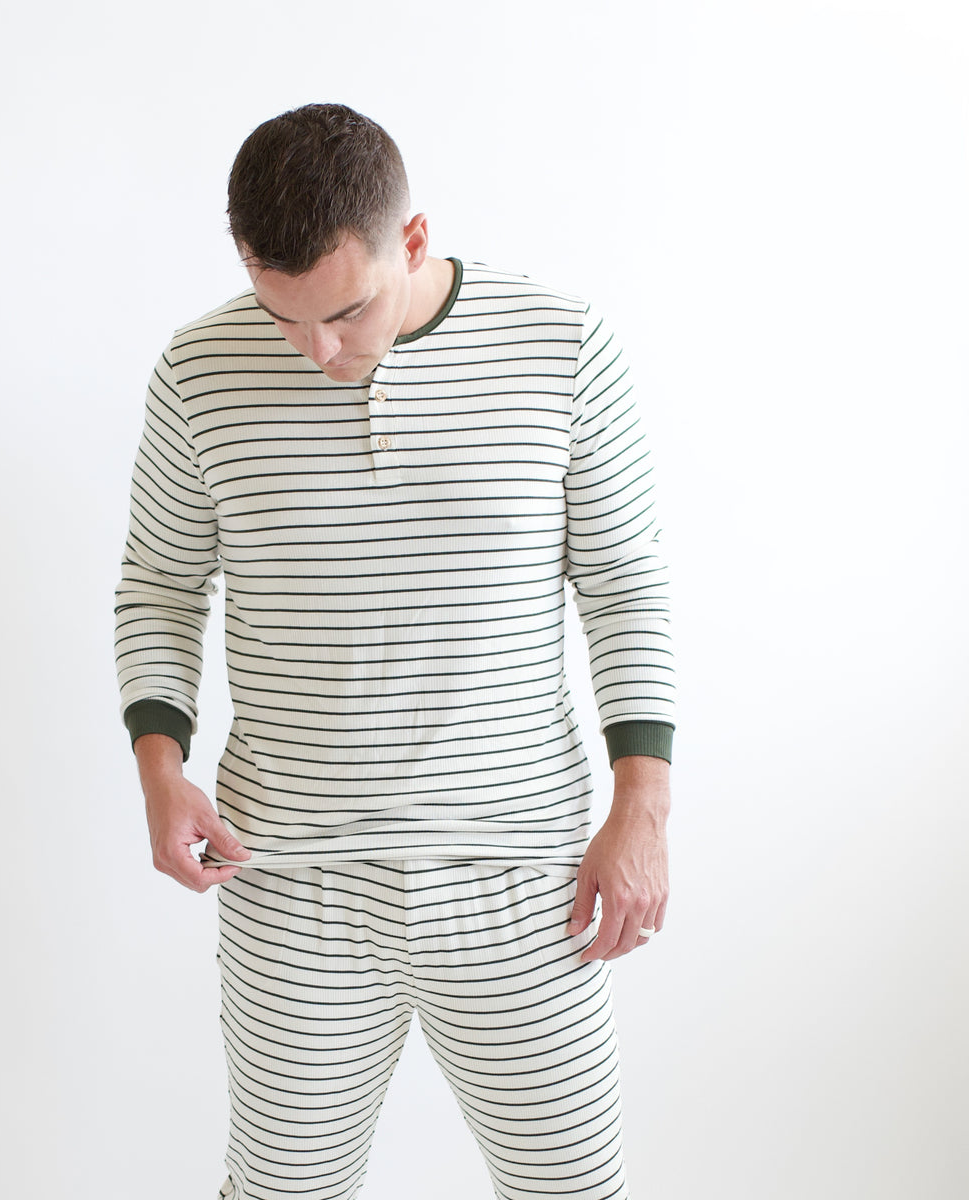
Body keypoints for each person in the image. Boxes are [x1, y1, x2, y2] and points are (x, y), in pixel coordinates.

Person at [115, 102, 675, 1200]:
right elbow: (162, 580)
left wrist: (641, 809)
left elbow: (625, 582)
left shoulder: (563, 344)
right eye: (283, 317)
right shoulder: (198, 369)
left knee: (574, 1189)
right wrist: (159, 766)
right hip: (289, 882)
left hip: (526, 877)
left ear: (412, 240)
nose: (316, 351)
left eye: (344, 310)